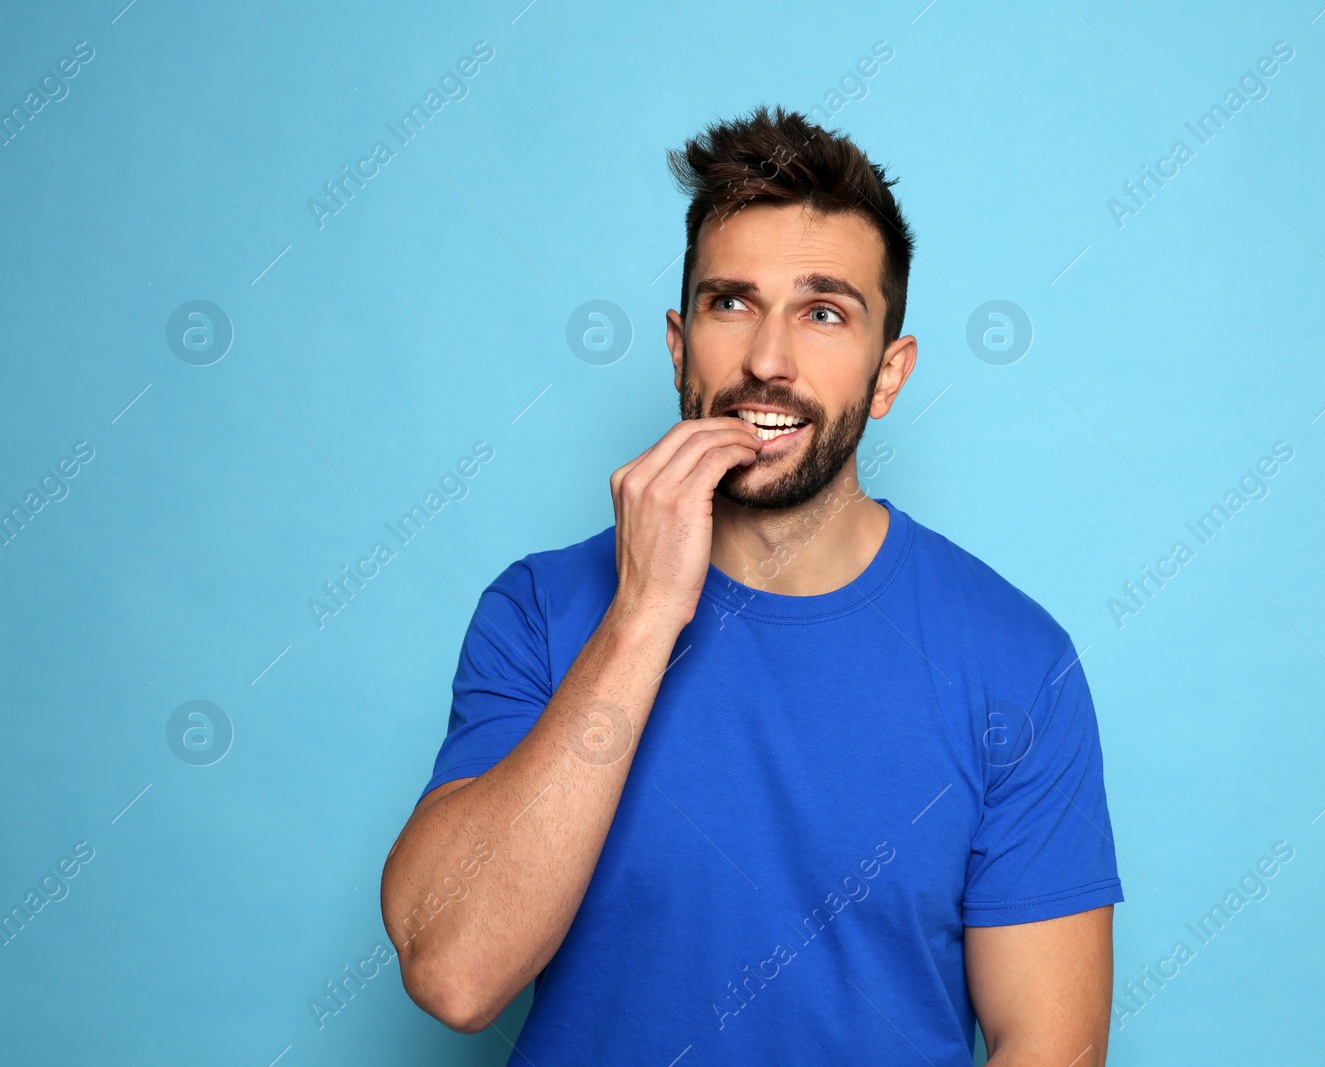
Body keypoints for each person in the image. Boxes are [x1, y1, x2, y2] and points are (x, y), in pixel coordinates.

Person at [380, 104, 1123, 1066]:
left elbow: (1049, 1046)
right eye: (731, 302)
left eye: (824, 313)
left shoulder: (1017, 662)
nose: (768, 361)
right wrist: (647, 611)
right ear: (679, 343)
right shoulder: (538, 612)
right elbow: (455, 972)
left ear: (888, 372)